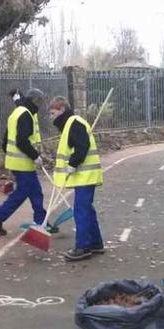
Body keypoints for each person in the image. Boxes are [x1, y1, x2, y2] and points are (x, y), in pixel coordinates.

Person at [48, 96, 105, 261]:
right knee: (87, 209)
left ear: (62, 110)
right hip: (84, 175)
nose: (52, 117)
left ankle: (83, 246)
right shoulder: (70, 124)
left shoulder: (74, 123)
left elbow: (82, 145)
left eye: (53, 113)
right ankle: (95, 243)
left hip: (85, 175)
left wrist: (73, 163)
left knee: (81, 210)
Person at [0, 88, 48, 236]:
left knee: (36, 192)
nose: (40, 105)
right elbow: (21, 141)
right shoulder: (25, 115)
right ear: (34, 101)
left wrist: (10, 156)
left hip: (17, 161)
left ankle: (41, 220)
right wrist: (35, 156)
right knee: (21, 193)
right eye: (39, 102)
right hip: (23, 163)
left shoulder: (17, 112)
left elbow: (7, 139)